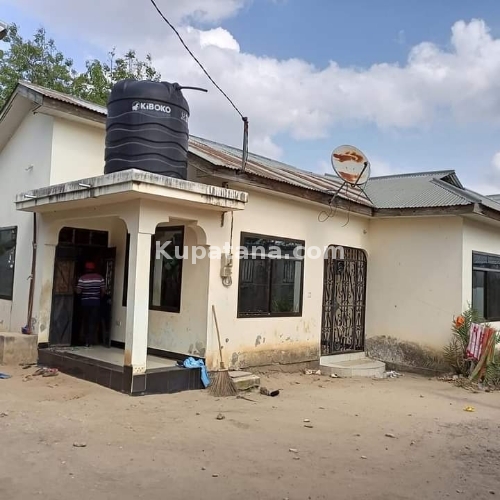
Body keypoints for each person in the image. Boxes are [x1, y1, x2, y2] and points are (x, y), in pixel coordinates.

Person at [75, 262, 106, 347]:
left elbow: (78, 291)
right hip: (96, 303)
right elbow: (103, 291)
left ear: (86, 269)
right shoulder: (100, 278)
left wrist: (73, 286)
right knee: (93, 321)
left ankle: (86, 340)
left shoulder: (82, 278)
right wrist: (98, 298)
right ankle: (91, 341)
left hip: (85, 303)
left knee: (86, 321)